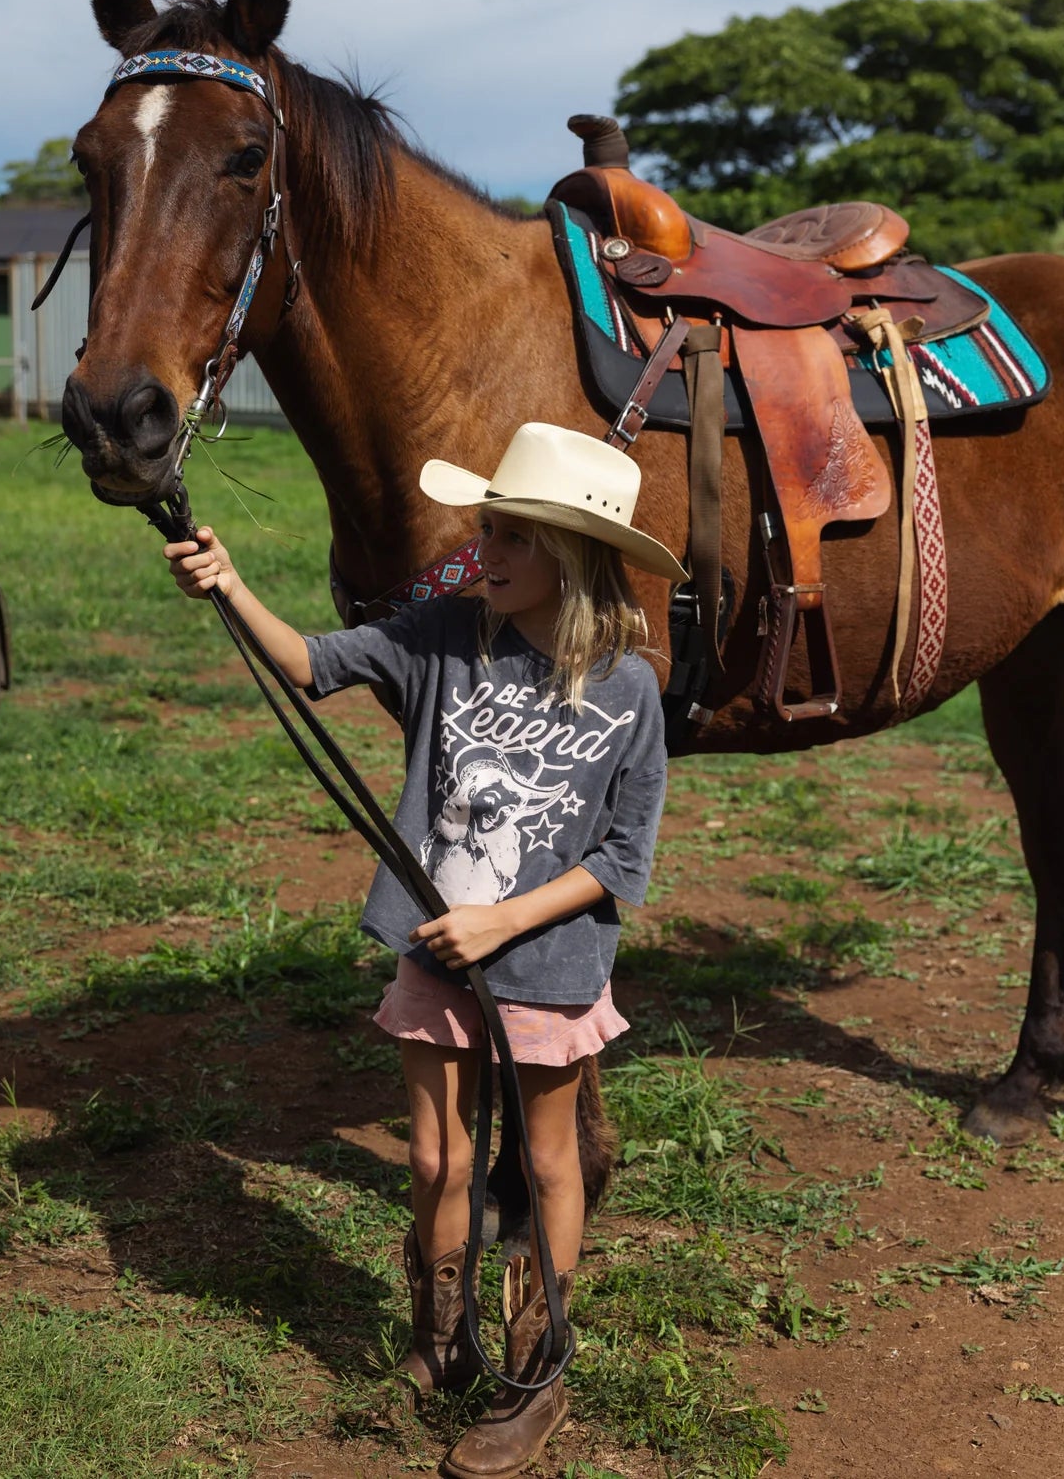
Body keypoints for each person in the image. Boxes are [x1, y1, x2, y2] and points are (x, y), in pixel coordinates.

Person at [165, 421, 679, 1479]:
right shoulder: (444, 634)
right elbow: (311, 664)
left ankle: (540, 1369)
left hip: (547, 965)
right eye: (488, 528)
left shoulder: (627, 688)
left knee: (543, 1162)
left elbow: (624, 858)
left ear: (574, 557)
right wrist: (229, 585)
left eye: (515, 539)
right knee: (439, 1155)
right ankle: (438, 1339)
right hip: (434, 955)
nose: (485, 551)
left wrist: (500, 918)